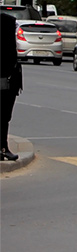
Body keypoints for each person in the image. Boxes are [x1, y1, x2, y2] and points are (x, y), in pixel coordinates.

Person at [2, 12, 23, 161]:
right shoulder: (6, 44)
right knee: (3, 116)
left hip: (8, 81)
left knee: (4, 116)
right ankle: (3, 148)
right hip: (6, 82)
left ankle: (3, 147)